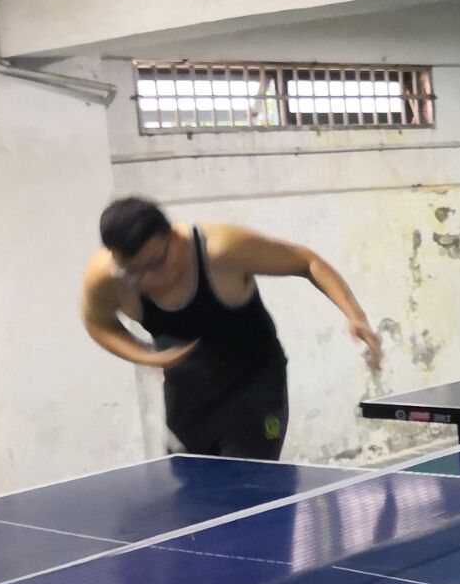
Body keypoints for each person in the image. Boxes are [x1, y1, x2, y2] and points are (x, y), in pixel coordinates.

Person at [81, 197, 380, 459]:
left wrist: (355, 315)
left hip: (254, 388)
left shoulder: (222, 249)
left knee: (250, 492)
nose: (145, 278)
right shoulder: (106, 278)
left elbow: (306, 261)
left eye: (155, 264)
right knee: (192, 497)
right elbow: (97, 322)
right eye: (132, 271)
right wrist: (146, 356)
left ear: (172, 237)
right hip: (187, 399)